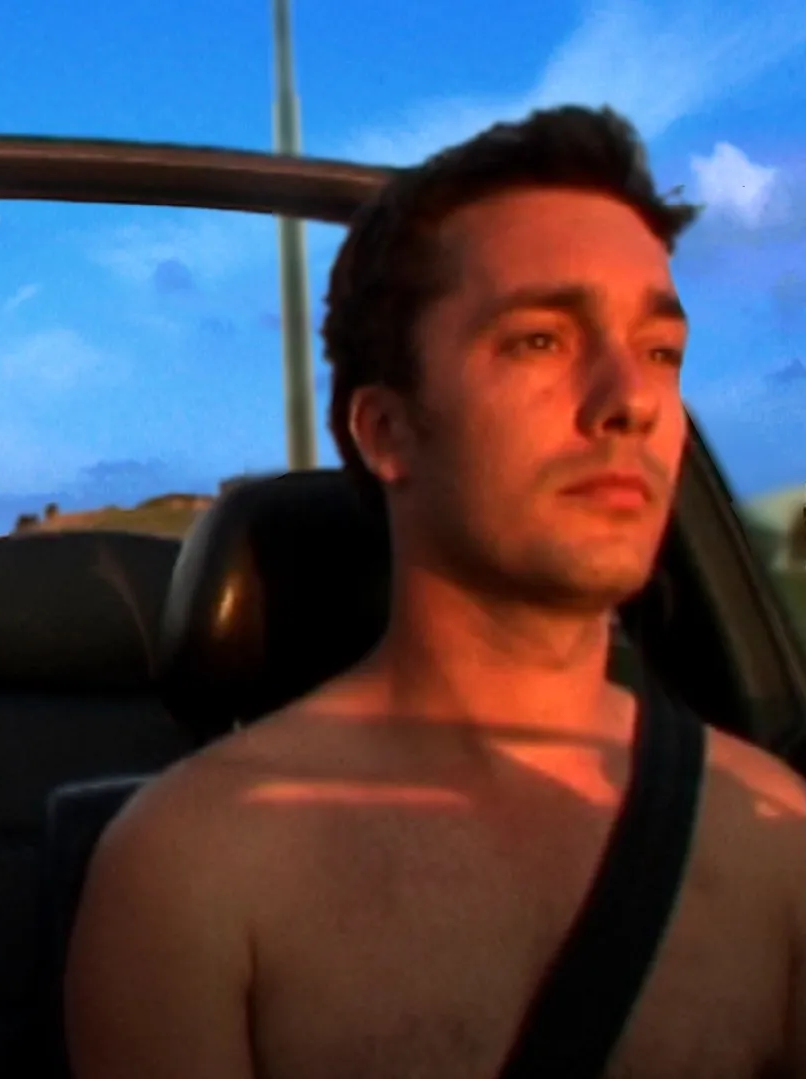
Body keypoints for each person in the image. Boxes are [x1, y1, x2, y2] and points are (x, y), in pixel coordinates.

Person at [65, 105, 806, 1079]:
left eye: (661, 350)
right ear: (387, 430)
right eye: (541, 340)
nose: (632, 398)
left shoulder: (778, 841)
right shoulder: (193, 867)